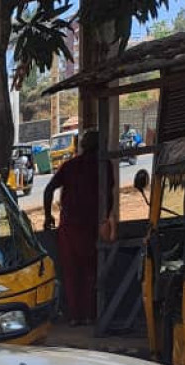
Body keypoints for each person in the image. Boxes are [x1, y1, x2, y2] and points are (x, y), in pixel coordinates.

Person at [43, 129, 113, 327]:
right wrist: (105, 218)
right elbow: (109, 195)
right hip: (91, 227)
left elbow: (49, 189)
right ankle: (91, 315)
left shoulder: (71, 166)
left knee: (72, 273)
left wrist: (49, 216)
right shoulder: (103, 166)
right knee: (92, 272)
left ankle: (75, 317)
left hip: (70, 228)